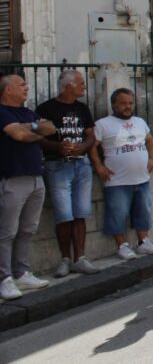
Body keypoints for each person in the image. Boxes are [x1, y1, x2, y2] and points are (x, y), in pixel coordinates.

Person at [36, 69, 100, 276]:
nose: (83, 87)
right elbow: (39, 137)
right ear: (69, 86)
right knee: (64, 215)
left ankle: (79, 257)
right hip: (57, 165)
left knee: (81, 212)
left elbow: (91, 135)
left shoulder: (82, 108)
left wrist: (83, 147)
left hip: (81, 164)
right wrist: (57, 147)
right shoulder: (46, 108)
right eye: (81, 84)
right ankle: (65, 258)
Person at [90, 88, 153, 260]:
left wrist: (151, 158)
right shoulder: (102, 124)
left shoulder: (139, 121)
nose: (127, 107)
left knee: (143, 210)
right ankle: (122, 246)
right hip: (117, 181)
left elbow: (149, 139)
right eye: (123, 103)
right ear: (114, 104)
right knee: (117, 213)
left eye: (130, 103)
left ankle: (143, 242)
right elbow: (92, 146)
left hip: (142, 178)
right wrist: (99, 167)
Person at [0, 75, 55, 300]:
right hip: (13, 178)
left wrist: (32, 128)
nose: (26, 87)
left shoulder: (27, 112)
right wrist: (35, 130)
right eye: (21, 85)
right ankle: (4, 278)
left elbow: (50, 128)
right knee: (7, 232)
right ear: (7, 90)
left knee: (28, 229)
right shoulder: (2, 112)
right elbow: (19, 134)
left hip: (35, 178)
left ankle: (21, 272)